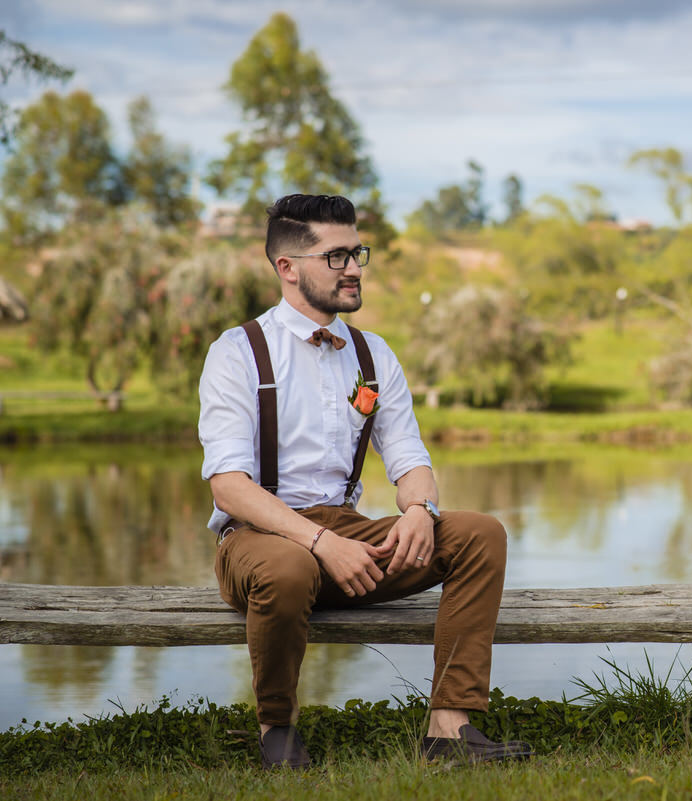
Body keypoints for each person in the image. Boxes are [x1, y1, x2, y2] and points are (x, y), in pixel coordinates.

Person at [198, 193, 531, 769]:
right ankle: (276, 729)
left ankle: (448, 730)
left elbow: (408, 456)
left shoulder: (372, 355)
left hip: (350, 539)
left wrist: (420, 510)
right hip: (257, 540)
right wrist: (321, 543)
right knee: (289, 565)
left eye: (358, 253)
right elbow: (229, 487)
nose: (353, 268)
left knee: (481, 533)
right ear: (288, 267)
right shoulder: (238, 353)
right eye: (336, 256)